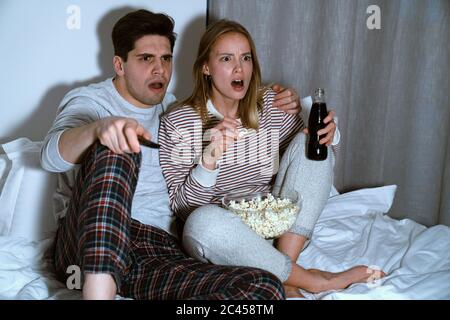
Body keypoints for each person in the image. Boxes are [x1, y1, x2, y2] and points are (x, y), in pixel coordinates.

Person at [40, 9, 305, 300]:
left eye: (166, 59)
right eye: (146, 59)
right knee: (120, 146)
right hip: (88, 243)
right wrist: (100, 130)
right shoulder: (90, 102)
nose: (160, 70)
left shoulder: (174, 112)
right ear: (119, 64)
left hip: (156, 249)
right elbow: (50, 156)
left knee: (264, 286)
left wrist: (280, 98)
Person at [158, 19, 385, 298]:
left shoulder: (270, 105)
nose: (239, 68)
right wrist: (209, 159)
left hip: (277, 230)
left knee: (308, 140)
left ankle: (286, 274)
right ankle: (315, 281)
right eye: (226, 58)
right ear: (206, 67)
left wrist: (329, 136)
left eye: (246, 58)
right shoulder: (178, 121)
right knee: (201, 223)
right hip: (225, 238)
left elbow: (314, 163)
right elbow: (182, 207)